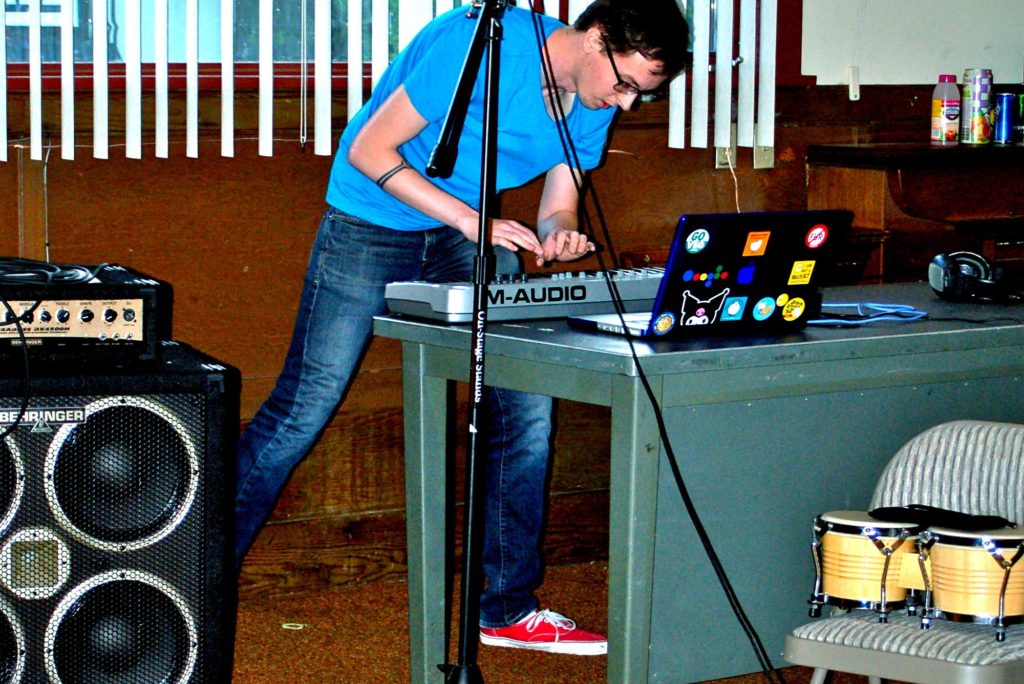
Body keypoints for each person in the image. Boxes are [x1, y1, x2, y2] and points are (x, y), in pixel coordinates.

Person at [234, 0, 689, 656]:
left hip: (464, 229)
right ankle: (197, 574)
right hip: (371, 220)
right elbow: (367, 148)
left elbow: (559, 203)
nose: (624, 105)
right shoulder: (477, 45)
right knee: (305, 408)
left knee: (526, 404)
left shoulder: (587, 102)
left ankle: (505, 608)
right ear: (596, 39)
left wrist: (558, 239)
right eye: (625, 85)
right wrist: (469, 221)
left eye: (640, 96)